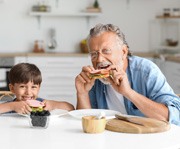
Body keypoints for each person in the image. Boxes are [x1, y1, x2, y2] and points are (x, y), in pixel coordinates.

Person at [75, 23, 180, 125]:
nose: (99, 59)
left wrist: (128, 92)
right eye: (94, 54)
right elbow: (85, 123)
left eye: (106, 51)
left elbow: (174, 116)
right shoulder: (94, 81)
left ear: (123, 52)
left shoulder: (146, 71)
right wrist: (82, 93)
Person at [0, 63, 74, 114]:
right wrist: (12, 106)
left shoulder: (42, 104)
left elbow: (70, 108)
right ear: (12, 88)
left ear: (39, 88)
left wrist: (52, 104)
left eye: (33, 87)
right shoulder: (9, 106)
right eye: (22, 86)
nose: (28, 92)